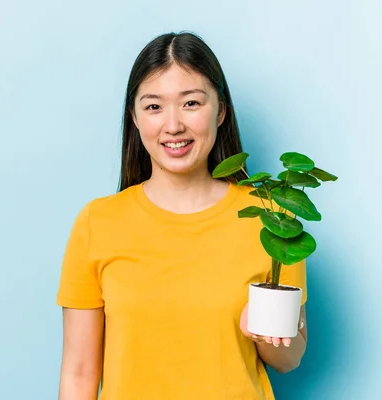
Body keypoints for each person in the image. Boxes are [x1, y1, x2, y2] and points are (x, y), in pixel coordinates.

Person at [55, 31, 307, 400]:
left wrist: (262, 332)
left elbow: (290, 359)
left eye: (191, 103)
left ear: (220, 110)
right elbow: (79, 373)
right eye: (154, 106)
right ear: (135, 118)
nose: (173, 125)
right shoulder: (98, 223)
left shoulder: (271, 218)